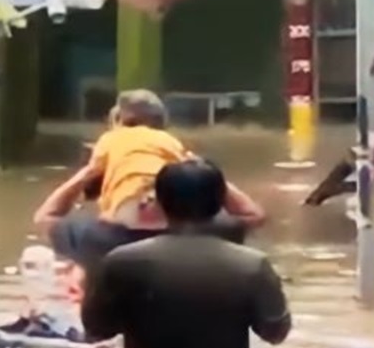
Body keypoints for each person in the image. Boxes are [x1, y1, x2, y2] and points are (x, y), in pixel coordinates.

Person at [32, 89, 264, 290]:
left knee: (61, 236)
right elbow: (253, 215)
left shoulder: (111, 139)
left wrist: (89, 171)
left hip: (117, 233)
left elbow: (47, 216)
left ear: (121, 118)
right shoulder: (171, 143)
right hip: (177, 231)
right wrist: (200, 166)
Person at [81, 159, 291, 348]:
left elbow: (97, 329)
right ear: (220, 203)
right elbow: (275, 333)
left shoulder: (121, 261)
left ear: (160, 202)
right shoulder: (252, 265)